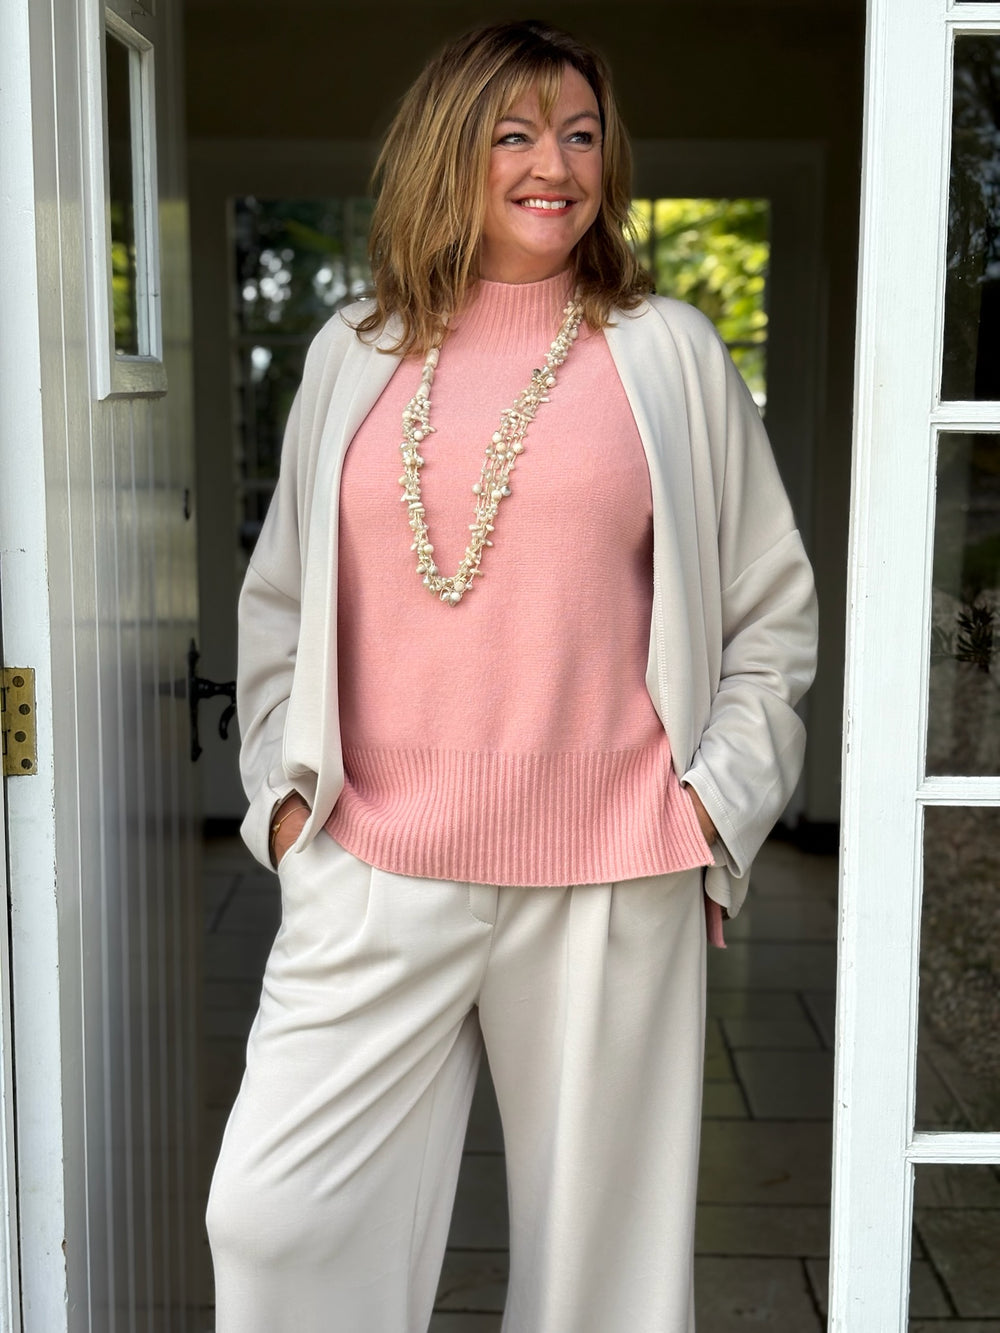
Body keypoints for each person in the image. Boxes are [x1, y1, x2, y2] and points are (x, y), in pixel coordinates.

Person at [206, 18, 817, 1333]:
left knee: (605, 1286)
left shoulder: (670, 352)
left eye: (582, 135)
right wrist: (286, 802)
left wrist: (714, 804)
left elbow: (772, 613)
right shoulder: (352, 351)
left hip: (613, 869)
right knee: (269, 1218)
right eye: (517, 133)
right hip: (374, 863)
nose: (557, 165)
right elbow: (281, 607)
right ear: (451, 150)